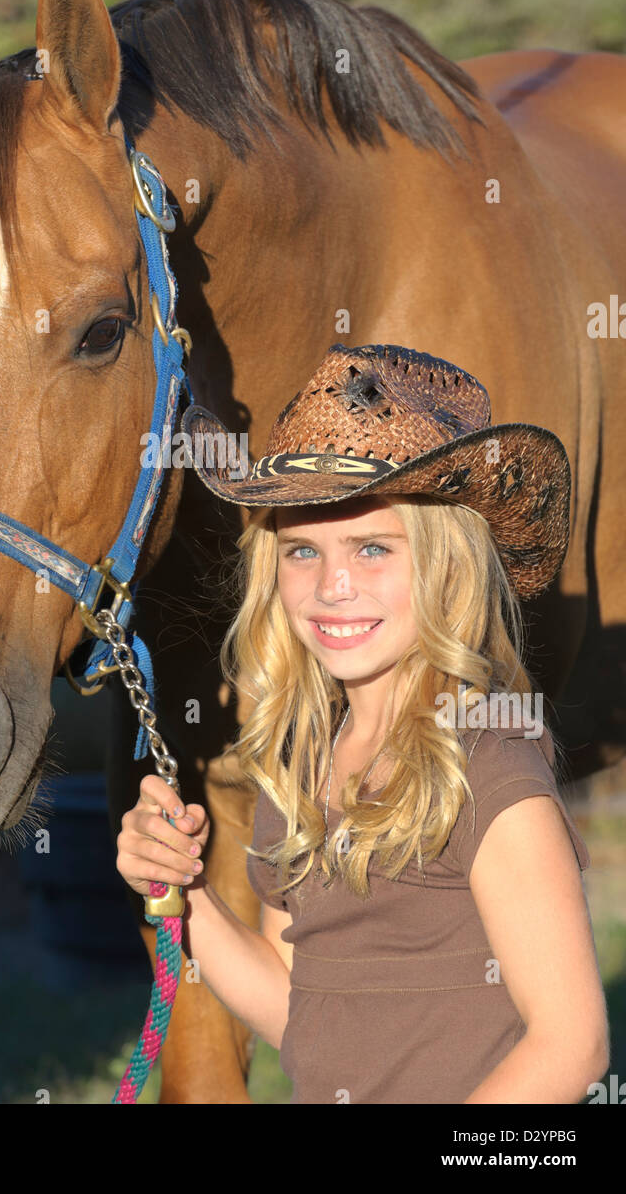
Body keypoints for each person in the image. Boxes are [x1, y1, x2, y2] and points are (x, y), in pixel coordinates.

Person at [115, 342, 609, 1103]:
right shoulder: (302, 768)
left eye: (372, 548)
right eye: (303, 550)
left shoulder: (488, 765)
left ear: (448, 564)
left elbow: (570, 1044)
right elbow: (298, 1006)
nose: (333, 585)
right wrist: (180, 897)